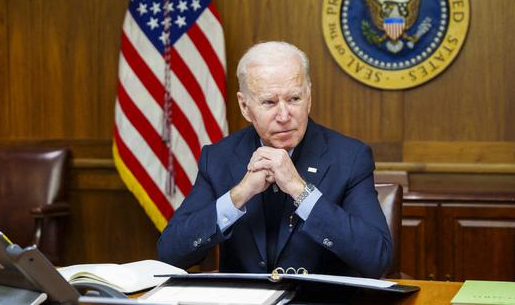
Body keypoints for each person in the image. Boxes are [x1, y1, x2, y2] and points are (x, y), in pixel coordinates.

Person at [157, 41, 392, 278]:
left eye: (294, 99)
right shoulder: (219, 158)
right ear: (245, 106)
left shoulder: (349, 157)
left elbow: (377, 258)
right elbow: (170, 254)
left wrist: (300, 190)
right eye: (269, 102)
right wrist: (239, 194)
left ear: (308, 97)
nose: (284, 115)